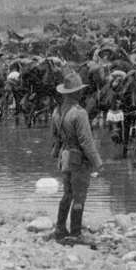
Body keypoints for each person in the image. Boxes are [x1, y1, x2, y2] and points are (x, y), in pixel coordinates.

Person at [49, 69, 104, 245]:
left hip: (64, 158)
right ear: (77, 92)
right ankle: (75, 232)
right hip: (79, 160)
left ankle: (60, 227)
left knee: (67, 194)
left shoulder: (57, 111)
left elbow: (55, 137)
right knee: (79, 196)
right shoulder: (79, 113)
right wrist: (97, 162)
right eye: (80, 90)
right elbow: (86, 142)